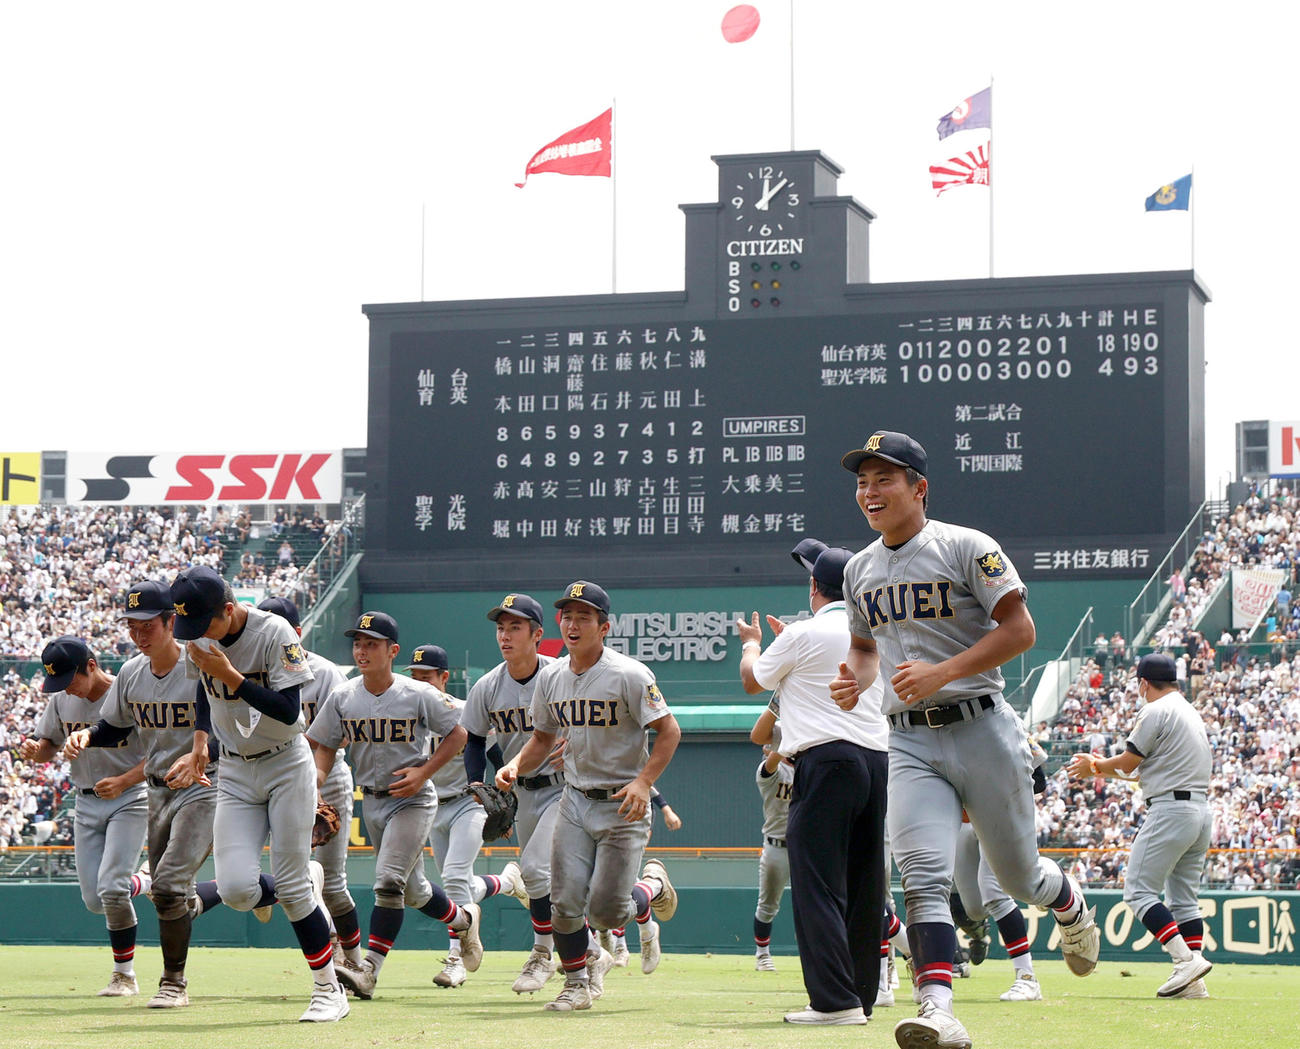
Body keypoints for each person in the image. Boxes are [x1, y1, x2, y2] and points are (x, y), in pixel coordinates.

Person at [832, 430, 1099, 1049]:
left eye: (884, 479)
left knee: (1020, 876)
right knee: (923, 875)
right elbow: (866, 651)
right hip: (907, 740)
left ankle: (1066, 901)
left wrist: (943, 672)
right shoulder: (858, 570)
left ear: (918, 488)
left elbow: (1021, 629)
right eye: (862, 482)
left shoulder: (966, 547)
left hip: (981, 724)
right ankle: (938, 1009)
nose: (870, 491)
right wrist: (856, 681)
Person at [166, 565, 347, 1023]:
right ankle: (306, 881)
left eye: (204, 622)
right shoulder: (200, 635)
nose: (196, 634)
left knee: (289, 886)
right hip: (234, 771)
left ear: (228, 608)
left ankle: (329, 991)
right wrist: (200, 746)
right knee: (237, 890)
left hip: (286, 762)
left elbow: (289, 712)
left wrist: (231, 675)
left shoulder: (275, 632)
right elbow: (205, 694)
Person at [498, 580, 681, 1012]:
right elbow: (543, 737)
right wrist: (516, 765)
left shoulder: (630, 675)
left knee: (607, 913)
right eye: (567, 615)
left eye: (584, 616)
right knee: (563, 901)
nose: (573, 623)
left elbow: (669, 731)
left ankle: (651, 886)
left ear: (605, 626)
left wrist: (643, 781)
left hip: (623, 803)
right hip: (575, 800)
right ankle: (577, 983)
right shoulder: (553, 677)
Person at [738, 545, 890, 1026]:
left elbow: (752, 681)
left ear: (813, 588)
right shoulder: (876, 630)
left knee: (818, 886)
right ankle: (860, 997)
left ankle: (832, 1001)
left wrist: (751, 643)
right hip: (877, 760)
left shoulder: (804, 632)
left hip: (826, 761)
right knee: (865, 884)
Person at [307, 613, 482, 1002]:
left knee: (387, 882)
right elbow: (324, 749)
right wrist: (314, 785)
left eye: (371, 643)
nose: (362, 650)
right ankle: (463, 920)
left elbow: (459, 734)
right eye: (358, 643)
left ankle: (369, 970)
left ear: (393, 650)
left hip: (414, 800)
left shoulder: (417, 693)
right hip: (372, 800)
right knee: (416, 890)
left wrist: (425, 773)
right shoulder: (343, 696)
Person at [63, 581, 218, 1007]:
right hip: (157, 792)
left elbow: (230, 722)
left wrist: (203, 754)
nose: (138, 634)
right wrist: (88, 736)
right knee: (178, 893)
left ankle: (173, 983)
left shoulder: (201, 662)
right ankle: (257, 888)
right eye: (132, 626)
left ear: (172, 621)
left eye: (147, 624)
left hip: (205, 785)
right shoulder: (132, 672)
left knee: (166, 888)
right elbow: (114, 725)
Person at [1066, 653, 1213, 999]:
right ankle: (1194, 981)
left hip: (1171, 809)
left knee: (1139, 891)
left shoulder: (1155, 709)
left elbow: (1130, 762)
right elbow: (1139, 770)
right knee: (1185, 902)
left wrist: (1096, 767)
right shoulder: (1189, 710)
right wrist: (1104, 768)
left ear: (1144, 683)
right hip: (1201, 810)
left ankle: (1184, 962)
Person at [17, 636, 148, 998]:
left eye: (69, 679)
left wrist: (123, 781)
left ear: (91, 666)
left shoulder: (128, 691)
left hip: (130, 797)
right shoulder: (62, 698)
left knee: (111, 889)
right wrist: (35, 750)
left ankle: (124, 976)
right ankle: (144, 881)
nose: (66, 690)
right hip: (86, 801)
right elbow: (48, 747)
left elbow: (163, 753)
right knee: (95, 900)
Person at [406, 642, 526, 989]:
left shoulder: (462, 712)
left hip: (467, 802)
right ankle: (505, 883)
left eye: (426, 676)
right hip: (431, 806)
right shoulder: (407, 714)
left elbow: (495, 753)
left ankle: (457, 959)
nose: (420, 683)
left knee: (455, 876)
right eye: (414, 677)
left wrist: (506, 789)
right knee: (457, 883)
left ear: (444, 677)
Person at [463, 592, 565, 995]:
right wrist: (476, 782)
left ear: (538, 634)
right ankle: (589, 951)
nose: (505, 635)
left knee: (536, 870)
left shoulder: (561, 674)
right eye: (501, 628)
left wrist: (576, 739)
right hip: (522, 793)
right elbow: (472, 738)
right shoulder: (489, 685)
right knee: (546, 880)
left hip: (566, 788)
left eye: (515, 627)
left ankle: (542, 953)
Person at [257, 596, 358, 966]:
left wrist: (314, 777)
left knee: (333, 883)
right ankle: (262, 892)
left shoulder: (326, 672)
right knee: (289, 875)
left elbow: (345, 733)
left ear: (296, 633)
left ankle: (354, 958)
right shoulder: (252, 671)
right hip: (275, 779)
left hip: (327, 780)